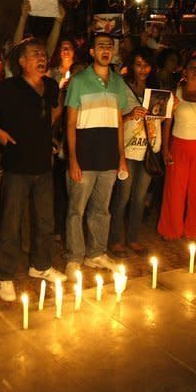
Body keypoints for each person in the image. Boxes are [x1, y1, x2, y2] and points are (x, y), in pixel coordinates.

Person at [0, 38, 66, 302]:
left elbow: (55, 110)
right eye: (34, 54)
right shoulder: (9, 88)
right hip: (17, 166)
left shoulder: (51, 86)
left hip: (43, 166)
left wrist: (46, 133)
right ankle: (5, 275)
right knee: (11, 222)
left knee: (45, 221)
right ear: (21, 62)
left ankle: (40, 266)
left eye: (43, 53)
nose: (41, 57)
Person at [63, 33, 128, 277]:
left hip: (109, 156)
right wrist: (72, 159)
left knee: (101, 209)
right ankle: (74, 257)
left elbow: (120, 122)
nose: (105, 50)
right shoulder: (79, 81)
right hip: (84, 155)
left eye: (109, 47)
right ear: (91, 52)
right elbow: (70, 123)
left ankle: (96, 253)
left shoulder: (118, 83)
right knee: (76, 209)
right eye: (100, 46)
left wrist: (121, 157)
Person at [158, 56, 196, 241]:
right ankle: (171, 230)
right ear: (184, 71)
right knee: (174, 190)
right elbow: (167, 124)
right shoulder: (175, 93)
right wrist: (165, 148)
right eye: (192, 67)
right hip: (178, 146)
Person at [109, 48, 161, 257]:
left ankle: (133, 238)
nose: (142, 69)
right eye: (138, 64)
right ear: (131, 65)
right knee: (123, 196)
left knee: (140, 198)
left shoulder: (154, 87)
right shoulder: (122, 86)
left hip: (149, 148)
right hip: (128, 148)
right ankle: (115, 240)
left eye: (146, 65)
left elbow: (161, 118)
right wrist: (129, 115)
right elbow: (112, 118)